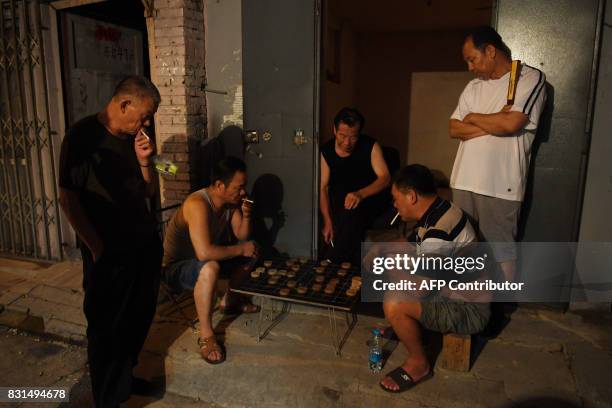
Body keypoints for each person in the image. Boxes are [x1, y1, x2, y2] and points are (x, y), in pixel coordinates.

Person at [59, 76, 162, 407]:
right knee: (106, 328)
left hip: (143, 246)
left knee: (138, 317)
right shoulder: (83, 137)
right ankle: (107, 398)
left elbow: (149, 190)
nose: (146, 123)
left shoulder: (138, 139)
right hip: (108, 252)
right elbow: (67, 198)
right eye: (144, 115)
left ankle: (125, 379)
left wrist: (148, 162)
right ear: (124, 104)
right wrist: (95, 246)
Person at [379, 164, 490, 393]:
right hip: (451, 290)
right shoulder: (439, 208)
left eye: (395, 198)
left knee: (394, 302)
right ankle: (407, 326)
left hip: (468, 310)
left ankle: (419, 364)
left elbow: (420, 289)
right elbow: (408, 245)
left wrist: (389, 269)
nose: (394, 204)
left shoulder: (438, 232)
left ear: (411, 196)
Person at [449, 26, 547, 284]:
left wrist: (475, 119)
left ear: (490, 51)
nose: (470, 67)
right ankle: (468, 307)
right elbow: (454, 128)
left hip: (500, 185)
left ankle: (498, 308)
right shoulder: (473, 86)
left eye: (472, 59)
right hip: (463, 180)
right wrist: (495, 120)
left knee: (500, 251)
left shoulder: (528, 77)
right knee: (462, 247)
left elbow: (511, 124)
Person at [162, 156, 258, 364]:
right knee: (210, 266)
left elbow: (241, 235)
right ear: (219, 185)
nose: (243, 192)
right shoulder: (198, 204)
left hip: (203, 259)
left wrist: (246, 215)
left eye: (244, 187)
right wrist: (240, 249)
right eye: (239, 187)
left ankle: (229, 300)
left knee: (253, 251)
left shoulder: (230, 203)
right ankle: (207, 336)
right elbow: (205, 253)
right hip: (175, 268)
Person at [320, 107, 391, 264]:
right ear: (334, 130)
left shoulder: (370, 146)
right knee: (343, 215)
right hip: (340, 202)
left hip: (368, 198)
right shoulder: (326, 151)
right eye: (342, 136)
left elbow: (385, 178)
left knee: (352, 213)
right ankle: (350, 266)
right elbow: (323, 188)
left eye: (353, 137)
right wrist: (327, 221)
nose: (347, 142)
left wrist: (361, 194)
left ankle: (332, 260)